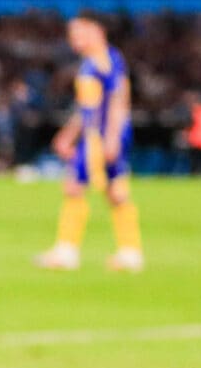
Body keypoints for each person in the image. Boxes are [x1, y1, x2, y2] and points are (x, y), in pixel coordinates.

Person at [36, 15, 143, 272]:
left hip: (100, 137)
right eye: (72, 34)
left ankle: (67, 251)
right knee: (112, 191)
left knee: (77, 187)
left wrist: (112, 138)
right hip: (99, 134)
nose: (74, 39)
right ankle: (129, 252)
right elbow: (88, 108)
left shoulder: (103, 62)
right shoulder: (98, 61)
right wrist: (68, 135)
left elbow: (117, 101)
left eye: (79, 33)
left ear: (97, 30)